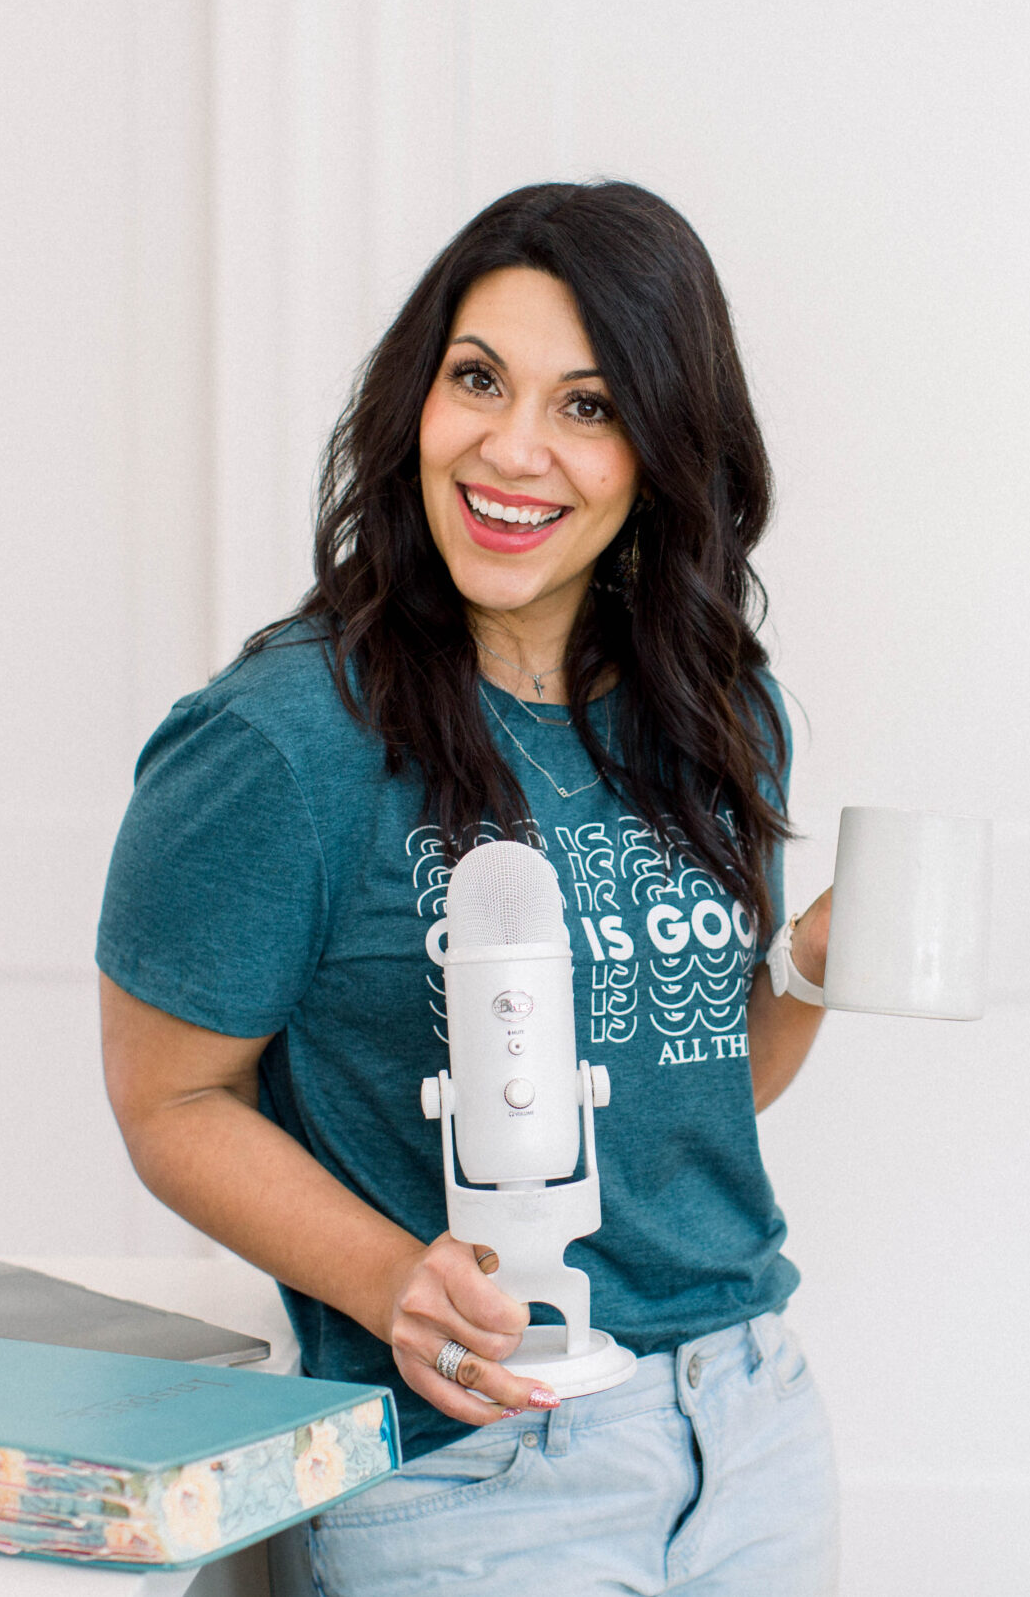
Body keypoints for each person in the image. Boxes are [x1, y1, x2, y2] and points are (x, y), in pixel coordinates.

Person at [96, 181, 838, 1595]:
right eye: (477, 380)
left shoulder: (719, 718)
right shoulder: (283, 742)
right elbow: (169, 1098)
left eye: (588, 404)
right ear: (411, 401)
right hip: (475, 1462)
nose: (511, 447)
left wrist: (806, 958)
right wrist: (388, 1280)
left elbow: (693, 1089)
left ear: (662, 451)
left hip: (749, 1427)